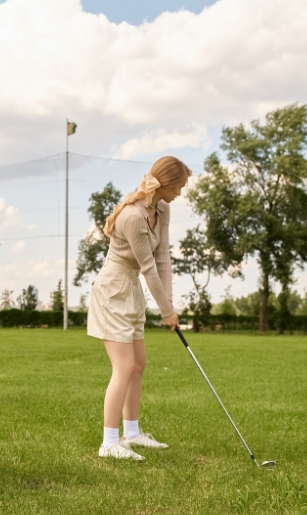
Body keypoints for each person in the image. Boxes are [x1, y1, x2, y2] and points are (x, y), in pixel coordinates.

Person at [87, 156, 192, 460]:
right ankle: (109, 443)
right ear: (168, 183)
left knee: (138, 363)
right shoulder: (132, 217)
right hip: (112, 291)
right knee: (123, 367)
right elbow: (149, 268)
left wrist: (168, 306)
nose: (181, 193)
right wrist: (167, 311)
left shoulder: (162, 208)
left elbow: (163, 261)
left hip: (131, 289)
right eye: (180, 186)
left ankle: (131, 433)